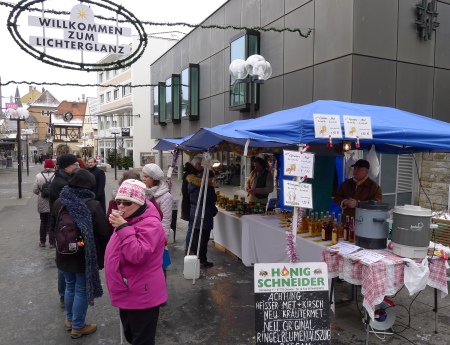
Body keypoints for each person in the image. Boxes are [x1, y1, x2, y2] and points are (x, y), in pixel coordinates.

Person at [105, 179, 167, 345]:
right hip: (128, 290)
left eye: (127, 203)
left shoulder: (151, 224)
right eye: (118, 202)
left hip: (142, 293)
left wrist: (122, 227)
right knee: (131, 335)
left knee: (142, 340)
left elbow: (137, 255)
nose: (121, 207)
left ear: (140, 203)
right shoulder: (130, 219)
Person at [50, 168, 110, 339]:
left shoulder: (60, 202)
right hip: (84, 254)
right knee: (82, 289)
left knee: (70, 286)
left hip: (63, 253)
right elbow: (103, 232)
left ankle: (70, 320)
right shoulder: (92, 204)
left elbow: (53, 226)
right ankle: (78, 326)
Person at [49, 153, 80, 308]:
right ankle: (64, 296)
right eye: (76, 165)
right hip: (64, 228)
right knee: (64, 265)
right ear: (67, 167)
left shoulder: (62, 179)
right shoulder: (62, 183)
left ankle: (64, 294)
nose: (78, 167)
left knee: (64, 263)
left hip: (61, 226)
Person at [142, 163, 172, 274]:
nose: (143, 179)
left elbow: (166, 220)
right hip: (145, 236)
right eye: (143, 176)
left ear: (154, 179)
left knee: (159, 268)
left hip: (157, 236)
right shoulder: (143, 191)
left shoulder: (165, 196)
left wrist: (163, 240)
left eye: (146, 177)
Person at [187, 167, 217, 268]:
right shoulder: (207, 187)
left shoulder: (192, 184)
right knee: (203, 239)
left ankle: (194, 257)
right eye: (211, 179)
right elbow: (212, 199)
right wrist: (211, 187)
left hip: (194, 213)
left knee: (195, 236)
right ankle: (202, 260)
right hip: (204, 215)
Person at [32, 158, 56, 248]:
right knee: (52, 222)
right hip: (53, 202)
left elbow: (35, 190)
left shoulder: (38, 176)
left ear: (45, 166)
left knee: (43, 222)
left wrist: (41, 193)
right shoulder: (56, 176)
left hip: (42, 202)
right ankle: (52, 242)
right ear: (53, 166)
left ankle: (42, 241)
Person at [181, 161, 198, 254]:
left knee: (192, 227)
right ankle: (189, 248)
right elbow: (186, 192)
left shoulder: (188, 174)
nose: (200, 166)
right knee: (191, 227)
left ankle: (190, 247)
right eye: (198, 164)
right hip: (191, 206)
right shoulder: (191, 177)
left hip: (189, 205)